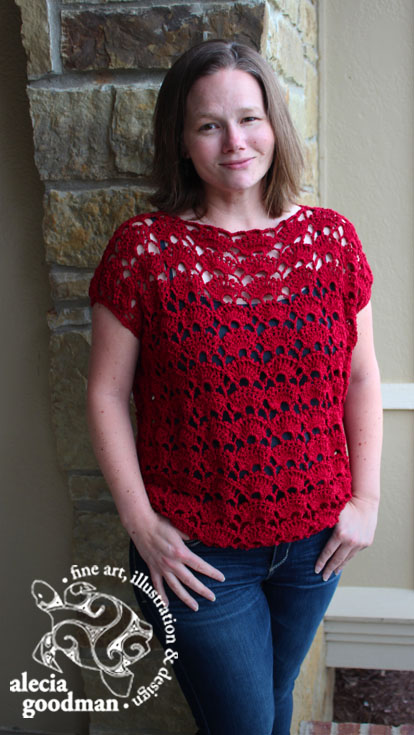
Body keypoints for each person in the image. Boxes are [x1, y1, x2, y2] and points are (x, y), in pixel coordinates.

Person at [87, 39, 382, 735]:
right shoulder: (145, 250)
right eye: (209, 125)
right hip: (197, 554)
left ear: (275, 125)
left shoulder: (331, 241)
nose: (235, 142)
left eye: (249, 118)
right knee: (247, 722)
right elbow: (104, 395)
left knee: (271, 704)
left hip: (315, 547)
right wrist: (141, 524)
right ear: (181, 140)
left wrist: (367, 500)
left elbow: (362, 374)